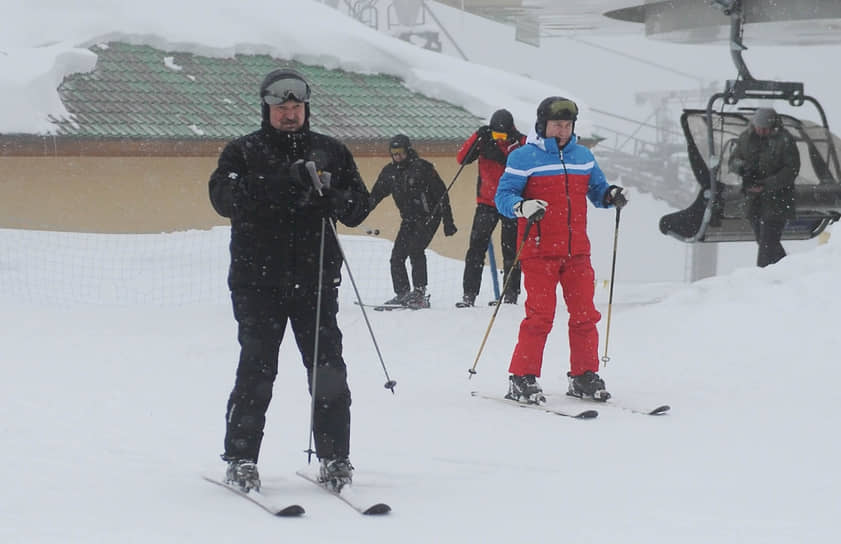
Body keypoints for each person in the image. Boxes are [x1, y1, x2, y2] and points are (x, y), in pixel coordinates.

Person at [208, 68, 371, 493]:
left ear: (306, 108)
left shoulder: (330, 150)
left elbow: (359, 206)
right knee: (257, 372)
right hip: (257, 283)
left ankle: (335, 458)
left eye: (296, 106)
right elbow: (224, 200)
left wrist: (333, 197)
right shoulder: (243, 152)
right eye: (281, 107)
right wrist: (285, 182)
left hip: (315, 283)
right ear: (267, 108)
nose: (289, 113)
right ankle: (241, 458)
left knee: (328, 372)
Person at [495, 96, 627, 404]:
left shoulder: (582, 156)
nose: (562, 131)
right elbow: (504, 196)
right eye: (557, 125)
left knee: (585, 315)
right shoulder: (523, 157)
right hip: (539, 249)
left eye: (567, 125)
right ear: (543, 124)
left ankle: (583, 375)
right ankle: (522, 377)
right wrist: (521, 206)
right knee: (540, 316)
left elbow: (596, 190)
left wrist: (611, 195)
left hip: (577, 250)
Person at [369, 134, 457, 309]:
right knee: (397, 256)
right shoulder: (390, 172)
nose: (397, 157)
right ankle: (402, 293)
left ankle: (419, 293)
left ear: (408, 150)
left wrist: (448, 221)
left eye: (400, 153)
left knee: (416, 250)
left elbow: (441, 194)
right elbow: (375, 195)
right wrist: (359, 212)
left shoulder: (423, 168)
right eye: (394, 154)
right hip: (409, 219)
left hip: (429, 217)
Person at [455, 109, 527, 308]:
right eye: (496, 135)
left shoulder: (520, 143)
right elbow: (462, 159)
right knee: (476, 249)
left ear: (511, 130)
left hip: (512, 204)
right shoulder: (484, 139)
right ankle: (469, 294)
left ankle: (510, 295)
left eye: (503, 135)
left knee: (511, 251)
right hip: (486, 203)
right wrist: (478, 135)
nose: (499, 139)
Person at [728, 107, 800, 267]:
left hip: (778, 201)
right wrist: (743, 168)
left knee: (768, 243)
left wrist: (767, 184)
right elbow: (733, 161)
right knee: (764, 240)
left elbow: (791, 170)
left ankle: (762, 275)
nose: (761, 131)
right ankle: (788, 269)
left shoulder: (784, 141)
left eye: (765, 129)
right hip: (754, 200)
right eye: (758, 127)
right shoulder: (746, 138)